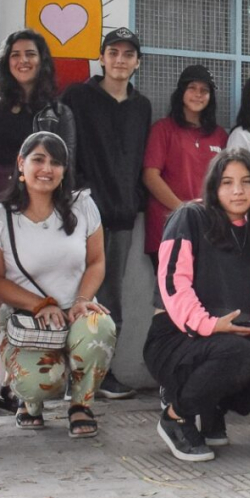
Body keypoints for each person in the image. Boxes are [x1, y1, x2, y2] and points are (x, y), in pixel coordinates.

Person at [144, 149, 250, 462]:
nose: (237, 190)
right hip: (175, 339)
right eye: (227, 182)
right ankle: (177, 416)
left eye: (246, 182)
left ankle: (210, 405)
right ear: (214, 188)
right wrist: (209, 324)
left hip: (226, 340)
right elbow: (174, 283)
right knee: (238, 354)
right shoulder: (191, 216)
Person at [0, 29, 77, 415]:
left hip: (31, 208)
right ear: (6, 61)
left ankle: (16, 382)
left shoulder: (59, 112)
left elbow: (66, 166)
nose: (23, 60)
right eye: (15, 54)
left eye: (31, 54)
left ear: (43, 61)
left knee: (27, 294)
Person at [0, 132, 115, 438]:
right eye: (38, 160)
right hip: (27, 318)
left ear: (65, 170)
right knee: (39, 383)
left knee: (100, 326)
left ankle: (81, 404)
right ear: (21, 164)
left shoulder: (83, 206)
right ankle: (30, 402)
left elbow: (96, 262)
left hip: (73, 309)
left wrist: (81, 299)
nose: (46, 169)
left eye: (56, 162)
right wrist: (40, 304)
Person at [61, 27, 152, 401]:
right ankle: (70, 376)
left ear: (137, 63)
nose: (120, 60)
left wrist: (134, 201)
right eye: (113, 52)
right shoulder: (77, 97)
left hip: (122, 215)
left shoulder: (142, 106)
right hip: (82, 215)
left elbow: (139, 159)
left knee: (111, 296)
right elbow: (65, 149)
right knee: (75, 292)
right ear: (101, 58)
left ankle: (104, 374)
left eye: (128, 54)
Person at [143, 64, 229, 265]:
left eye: (204, 90)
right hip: (168, 229)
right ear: (181, 92)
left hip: (207, 231)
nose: (198, 95)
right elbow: (150, 176)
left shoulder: (219, 136)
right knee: (170, 295)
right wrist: (183, 210)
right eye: (192, 88)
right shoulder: (163, 129)